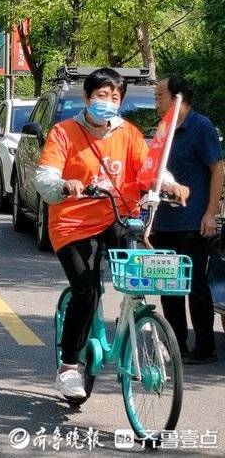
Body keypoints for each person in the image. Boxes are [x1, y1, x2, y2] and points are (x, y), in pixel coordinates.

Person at [33, 68, 188, 399]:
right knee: (86, 291)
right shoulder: (64, 133)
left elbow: (151, 169)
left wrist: (170, 185)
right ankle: (69, 367)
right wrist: (64, 184)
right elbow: (44, 179)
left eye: (115, 98)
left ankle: (143, 334)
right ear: (87, 98)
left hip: (118, 217)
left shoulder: (128, 134)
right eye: (102, 96)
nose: (108, 103)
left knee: (144, 273)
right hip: (72, 223)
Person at [151, 75, 223, 365]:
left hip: (193, 222)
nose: (156, 102)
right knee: (169, 287)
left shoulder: (200, 127)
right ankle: (177, 344)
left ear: (178, 98)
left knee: (195, 287)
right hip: (164, 223)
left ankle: (205, 347)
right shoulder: (163, 129)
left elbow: (218, 170)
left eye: (160, 96)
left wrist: (210, 213)